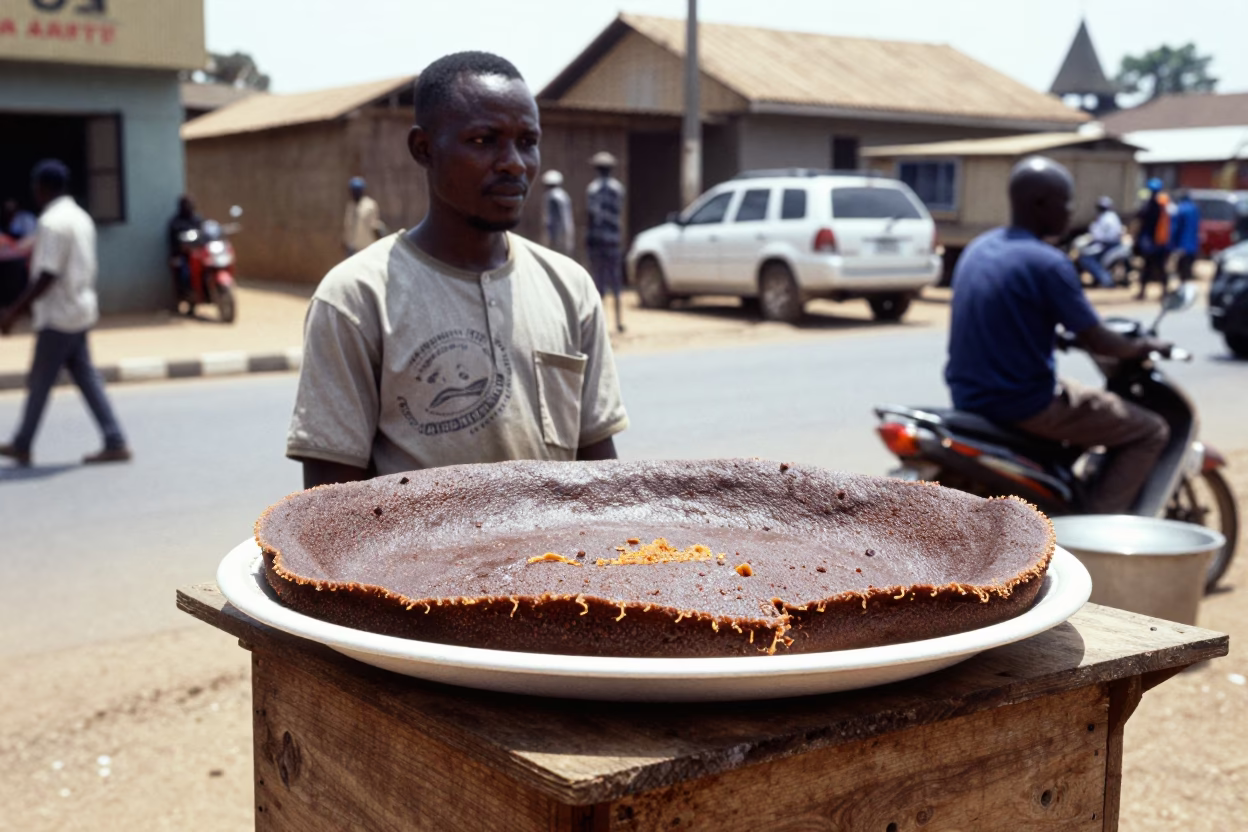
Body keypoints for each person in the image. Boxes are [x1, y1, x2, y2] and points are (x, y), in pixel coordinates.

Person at [287, 52, 629, 489]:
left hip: (555, 559)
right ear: (424, 149)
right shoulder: (355, 298)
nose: (514, 163)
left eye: (527, 141)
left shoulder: (570, 288)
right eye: (484, 141)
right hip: (413, 558)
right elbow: (329, 506)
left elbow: (601, 474)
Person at [945, 156, 1171, 514]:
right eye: (1065, 203)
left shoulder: (979, 248)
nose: (1070, 212)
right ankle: (1099, 529)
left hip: (969, 395)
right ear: (1039, 204)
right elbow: (1101, 340)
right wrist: (1146, 345)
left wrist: (1059, 339)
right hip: (1024, 402)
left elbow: (1007, 318)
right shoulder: (1049, 262)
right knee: (1150, 430)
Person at [0, 160, 131, 467]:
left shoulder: (52, 222)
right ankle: (115, 439)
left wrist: (14, 312)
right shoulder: (80, 217)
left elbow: (47, 274)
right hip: (80, 309)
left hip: (59, 315)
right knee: (85, 377)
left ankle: (23, 444)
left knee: (40, 380)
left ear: (42, 187)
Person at [585, 150, 626, 333]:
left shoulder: (593, 189)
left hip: (598, 240)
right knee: (615, 282)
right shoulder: (618, 189)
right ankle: (618, 322)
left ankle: (600, 325)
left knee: (598, 282)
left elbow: (592, 215)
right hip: (614, 240)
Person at [1133, 178, 1172, 300]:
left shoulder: (1149, 205)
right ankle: (1164, 292)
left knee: (1148, 268)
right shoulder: (1164, 206)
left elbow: (1140, 222)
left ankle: (1143, 292)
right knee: (1160, 268)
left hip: (1151, 243)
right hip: (1161, 243)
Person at [1077, 196, 1124, 288]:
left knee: (1086, 259)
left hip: (1106, 245)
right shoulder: (1111, 216)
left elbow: (1101, 236)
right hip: (1108, 244)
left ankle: (1105, 280)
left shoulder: (1106, 218)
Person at [167, 194, 202, 312]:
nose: (189, 207)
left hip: (198, 255)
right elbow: (172, 242)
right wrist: (176, 253)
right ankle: (184, 299)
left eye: (190, 204)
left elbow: (205, 234)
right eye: (186, 205)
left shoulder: (197, 220)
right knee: (184, 275)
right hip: (182, 256)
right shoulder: (176, 222)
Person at [342, 176, 385, 257]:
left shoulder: (369, 205)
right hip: (354, 249)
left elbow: (375, 226)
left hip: (367, 248)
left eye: (356, 192)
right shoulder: (351, 206)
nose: (354, 194)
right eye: (353, 192)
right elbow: (348, 227)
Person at [1170, 189, 1201, 287]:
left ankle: (1184, 290)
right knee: (1188, 268)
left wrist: (1172, 243)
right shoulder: (1194, 208)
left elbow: (1175, 228)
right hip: (1193, 245)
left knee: (1182, 268)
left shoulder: (1180, 209)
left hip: (1182, 245)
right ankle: (1186, 288)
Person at [541, 169, 575, 256]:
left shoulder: (550, 196)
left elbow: (549, 218)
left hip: (555, 232)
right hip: (566, 230)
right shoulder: (563, 195)